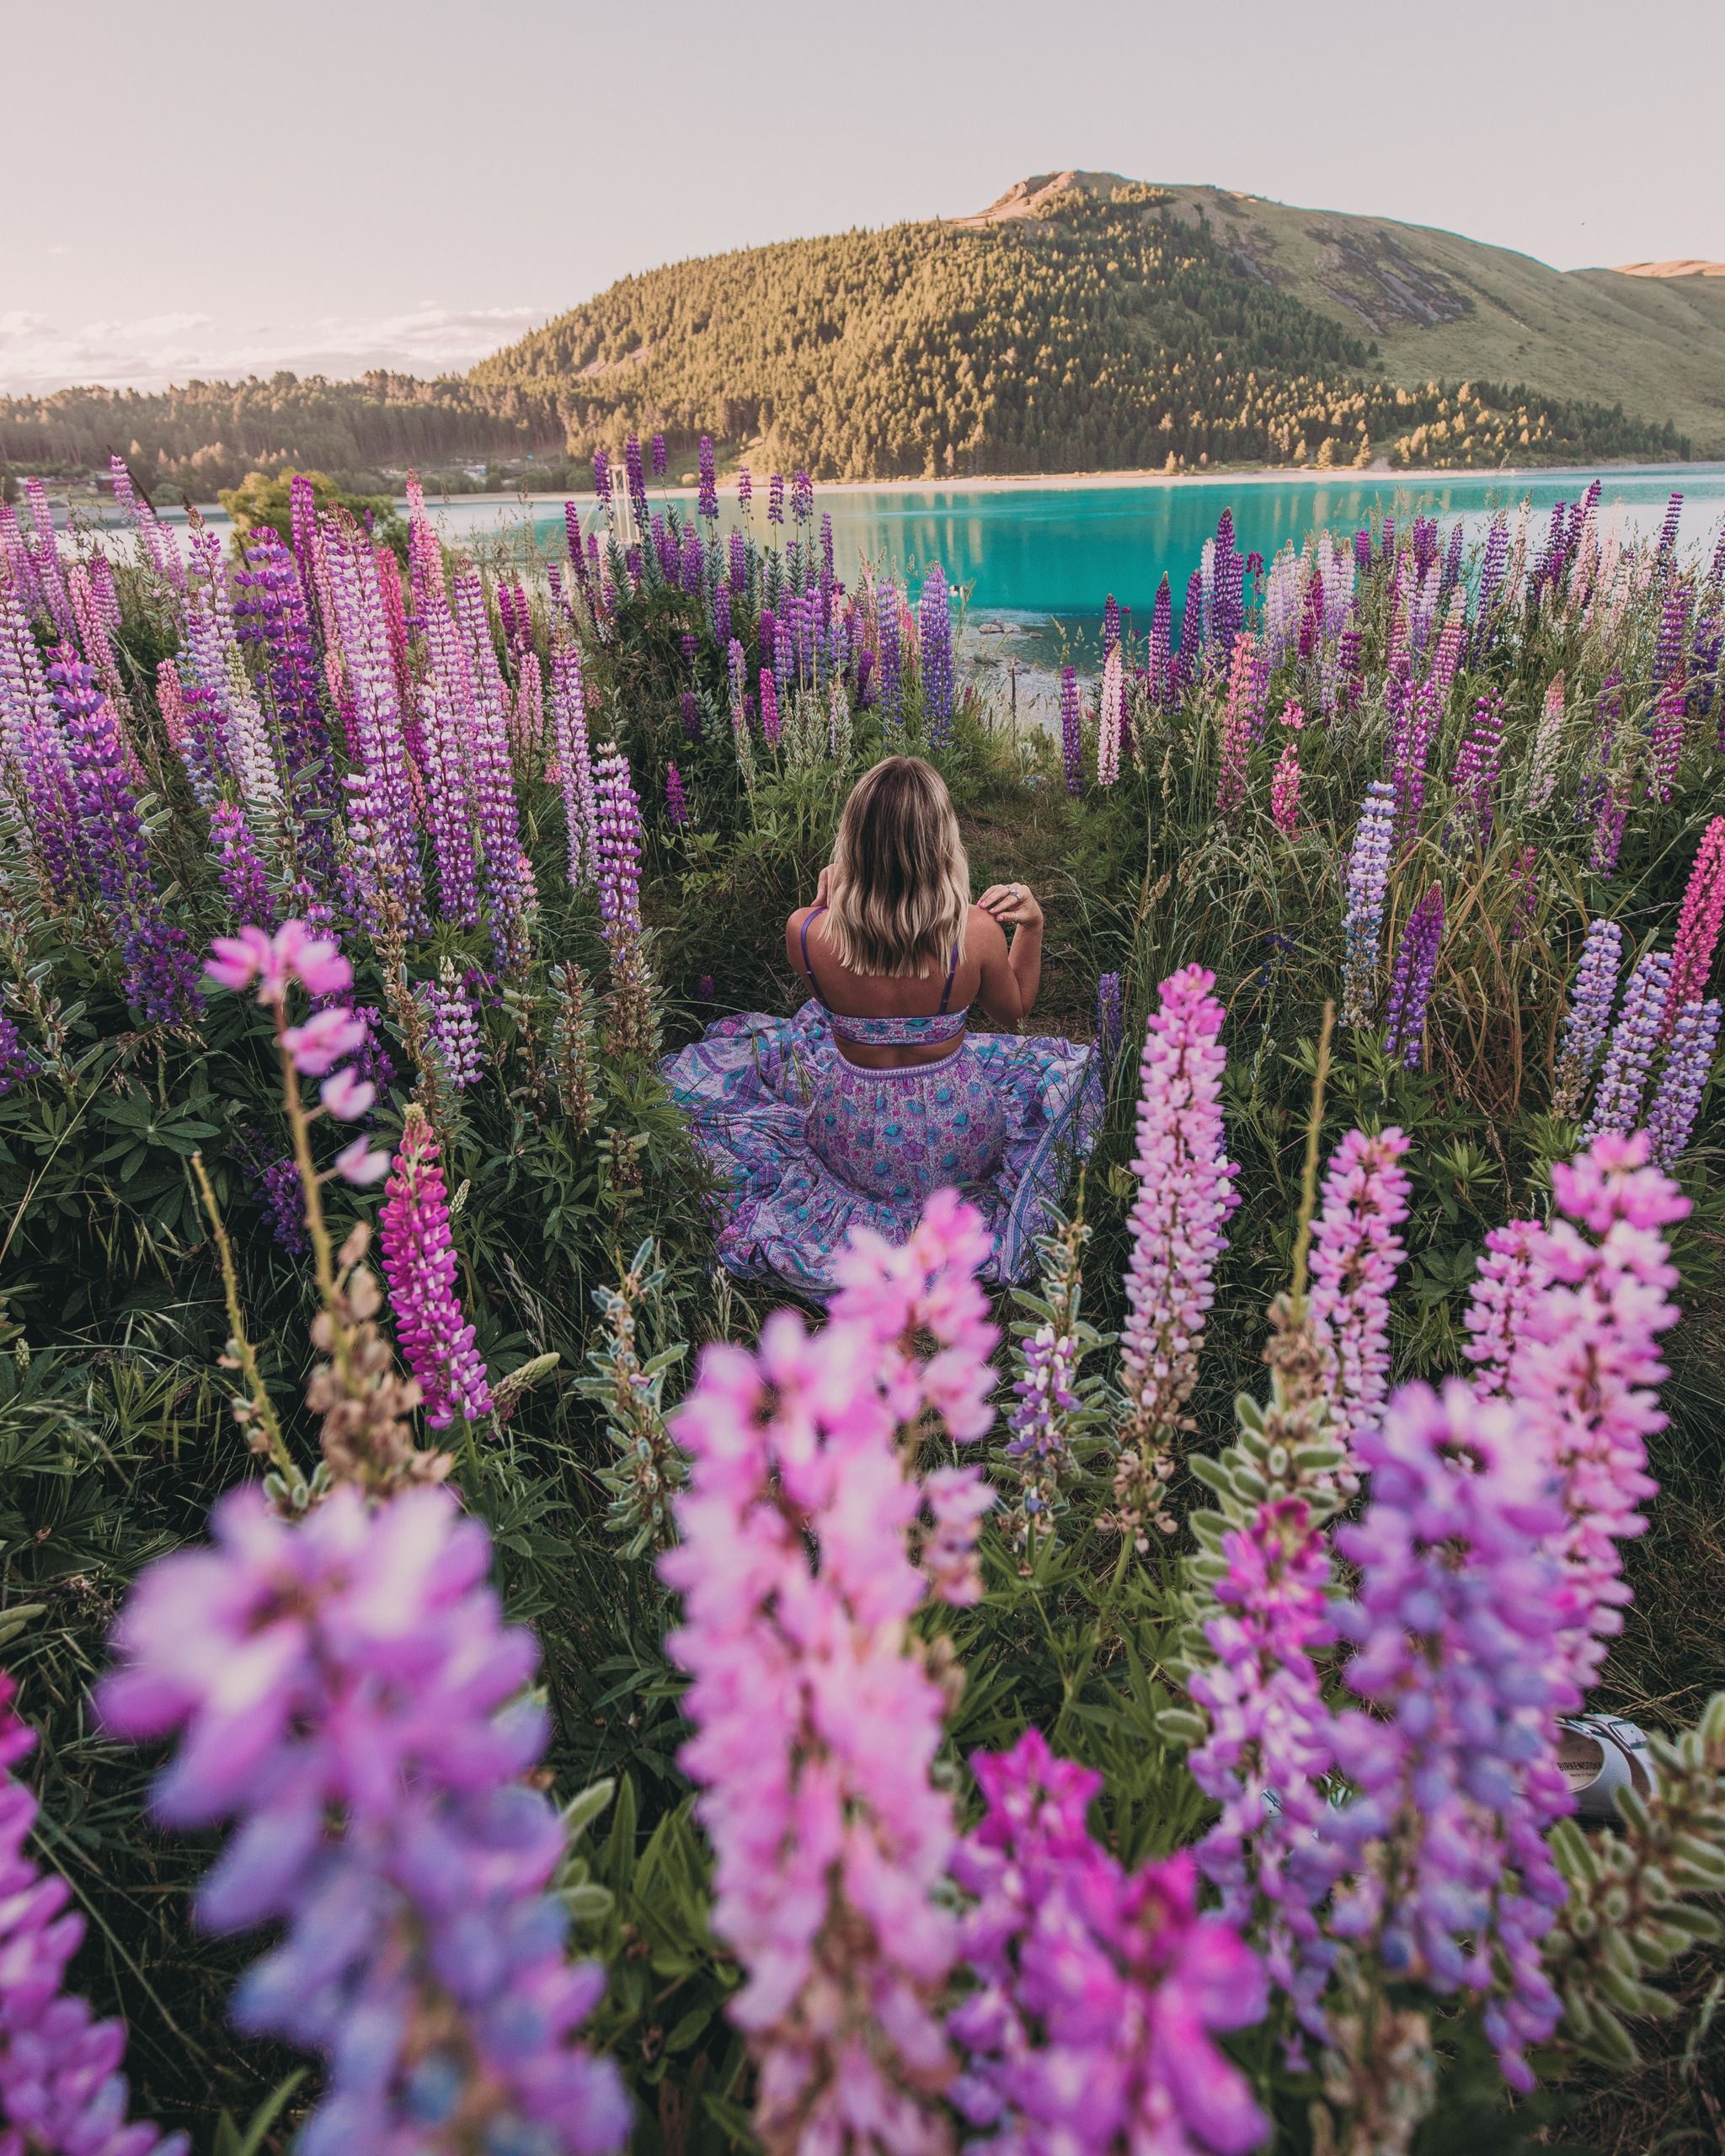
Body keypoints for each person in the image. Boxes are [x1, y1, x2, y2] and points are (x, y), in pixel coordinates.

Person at [662, 755, 1101, 1293]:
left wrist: (830, 899)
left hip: (852, 1136)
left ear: (852, 842)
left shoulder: (805, 932)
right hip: (960, 1134)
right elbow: (1016, 1012)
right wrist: (1032, 925)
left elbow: (840, 973)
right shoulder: (976, 932)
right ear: (941, 843)